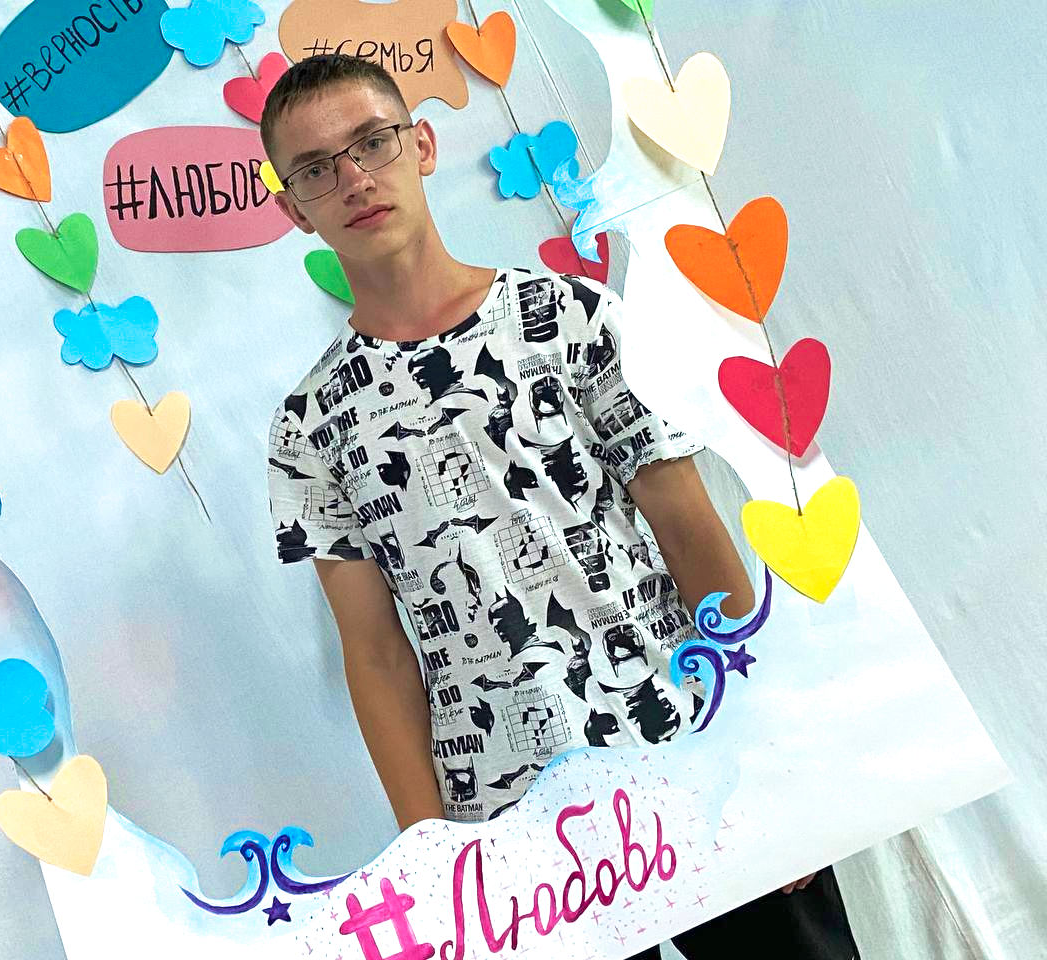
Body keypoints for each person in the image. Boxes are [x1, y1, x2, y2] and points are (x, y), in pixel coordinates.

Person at [261, 53, 860, 959]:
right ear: (293, 209)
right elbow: (375, 655)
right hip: (518, 842)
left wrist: (765, 745)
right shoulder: (309, 425)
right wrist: (437, 868)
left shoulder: (574, 315)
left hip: (691, 753)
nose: (353, 179)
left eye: (371, 142)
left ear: (421, 146)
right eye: (315, 168)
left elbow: (688, 527)